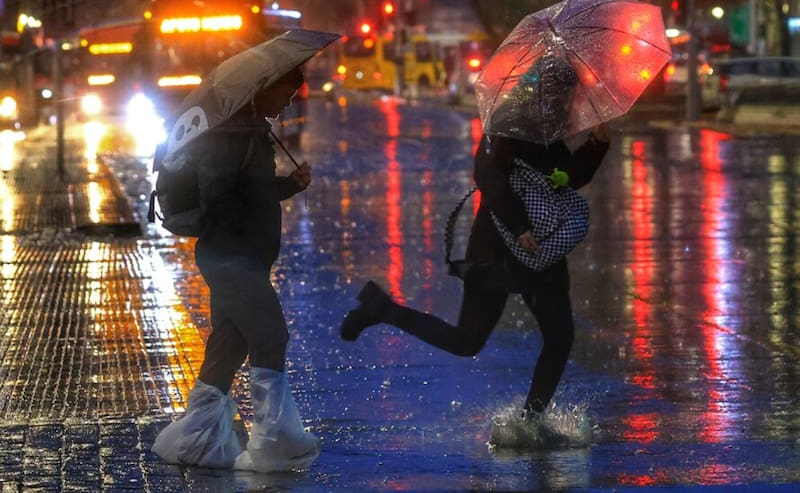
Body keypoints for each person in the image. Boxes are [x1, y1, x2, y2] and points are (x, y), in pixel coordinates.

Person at [340, 54, 609, 420]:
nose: (567, 101)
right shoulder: (509, 123)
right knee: (467, 340)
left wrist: (596, 146)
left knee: (560, 336)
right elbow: (487, 175)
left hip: (543, 248)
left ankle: (531, 420)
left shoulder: (550, 129)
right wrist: (518, 226)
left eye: (569, 93)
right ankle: (383, 309)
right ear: (544, 89)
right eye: (562, 92)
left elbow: (562, 179)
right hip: (500, 245)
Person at [152, 66, 320, 472]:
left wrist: (290, 185)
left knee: (229, 345)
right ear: (263, 86)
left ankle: (198, 439)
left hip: (241, 259)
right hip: (231, 259)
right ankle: (273, 441)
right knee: (270, 335)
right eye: (286, 90)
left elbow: (253, 193)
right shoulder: (231, 136)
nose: (290, 100)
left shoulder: (249, 131)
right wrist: (241, 234)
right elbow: (220, 198)